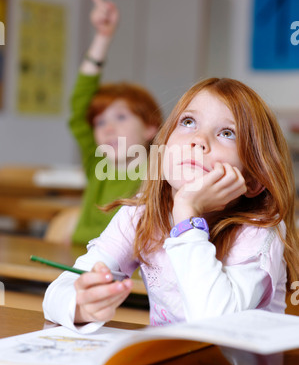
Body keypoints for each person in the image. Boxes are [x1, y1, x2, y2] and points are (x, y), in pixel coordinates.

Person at [43, 77, 299, 332]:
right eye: (188, 122)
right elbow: (57, 293)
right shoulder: (138, 217)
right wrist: (80, 304)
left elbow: (216, 324)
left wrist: (187, 214)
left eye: (227, 133)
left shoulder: (259, 231)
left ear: (253, 180)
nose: (198, 139)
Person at [69, 0, 162, 245]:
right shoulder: (97, 164)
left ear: (150, 128)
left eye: (120, 117)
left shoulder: (157, 172)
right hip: (77, 268)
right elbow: (80, 106)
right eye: (100, 122)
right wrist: (102, 36)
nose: (107, 128)